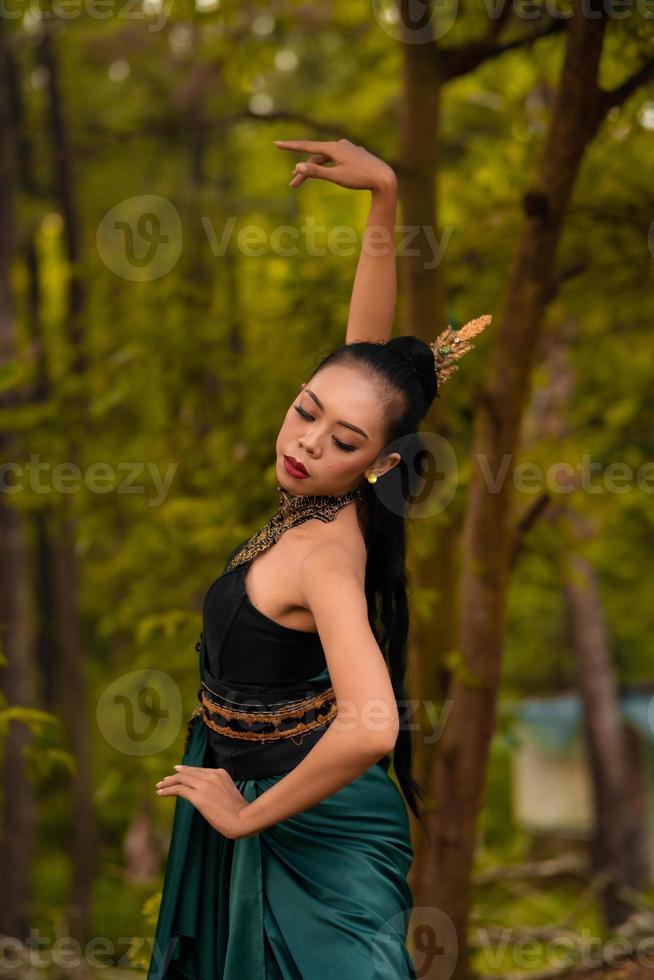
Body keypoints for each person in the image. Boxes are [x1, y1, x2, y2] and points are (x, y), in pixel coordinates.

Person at [146, 138, 491, 980]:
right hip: (254, 787)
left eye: (338, 440)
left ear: (375, 461)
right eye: (305, 409)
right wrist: (384, 196)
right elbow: (366, 367)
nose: (305, 443)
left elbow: (373, 725)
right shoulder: (338, 484)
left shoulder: (328, 554)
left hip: (310, 826)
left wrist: (244, 819)